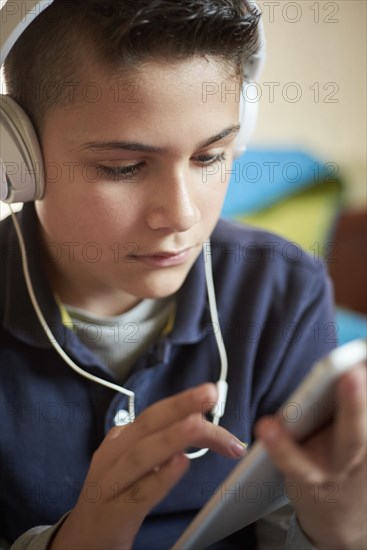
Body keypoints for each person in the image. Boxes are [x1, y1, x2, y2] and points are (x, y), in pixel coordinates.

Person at [0, 1, 365, 549]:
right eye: (123, 168)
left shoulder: (283, 290)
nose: (182, 216)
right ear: (17, 159)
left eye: (211, 156)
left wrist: (337, 527)